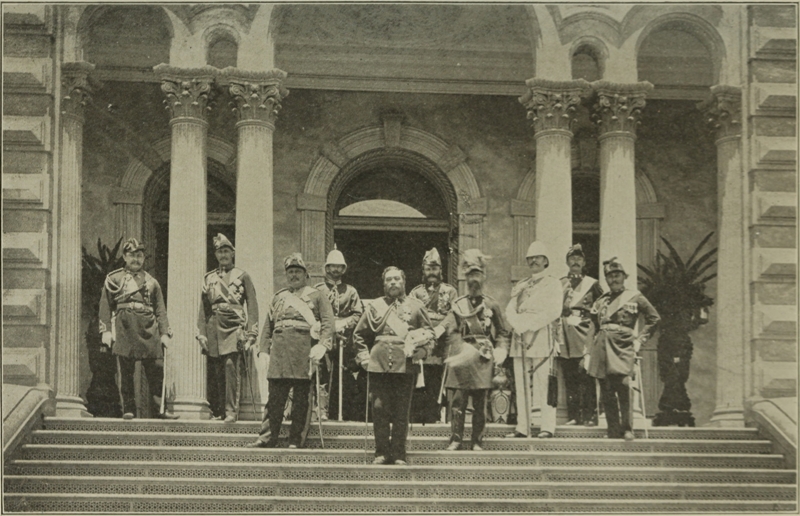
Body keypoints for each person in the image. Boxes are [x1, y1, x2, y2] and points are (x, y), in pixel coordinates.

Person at [248, 253, 334, 448]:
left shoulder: (317, 296)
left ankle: (296, 439)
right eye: (291, 272)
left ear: (306, 275)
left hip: (304, 351)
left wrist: (322, 344)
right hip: (279, 351)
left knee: (302, 399)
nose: (294, 275)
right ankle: (267, 437)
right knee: (275, 398)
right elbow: (268, 326)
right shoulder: (279, 297)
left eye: (298, 272)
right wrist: (263, 350)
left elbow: (328, 324)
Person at [353, 266, 435, 465]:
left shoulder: (416, 306)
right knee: (379, 409)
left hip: (404, 364)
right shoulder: (374, 306)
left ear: (404, 281)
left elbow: (430, 335)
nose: (393, 283)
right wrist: (364, 357)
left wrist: (422, 351)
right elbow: (359, 335)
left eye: (396, 279)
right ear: (384, 284)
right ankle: (381, 452)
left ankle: (398, 453)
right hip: (378, 364)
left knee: (401, 411)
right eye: (389, 280)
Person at [438, 249, 510, 451]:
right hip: (462, 357)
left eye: (477, 274)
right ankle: (456, 439)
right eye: (470, 275)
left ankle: (477, 440)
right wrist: (458, 352)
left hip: (483, 357)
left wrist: (501, 350)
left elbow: (503, 332)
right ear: (465, 278)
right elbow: (451, 331)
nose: (474, 279)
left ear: (484, 276)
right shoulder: (458, 305)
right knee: (458, 402)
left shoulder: (492, 305)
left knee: (480, 403)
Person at [98, 238, 178, 420]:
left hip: (148, 327)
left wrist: (164, 333)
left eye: (139, 255)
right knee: (126, 371)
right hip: (125, 327)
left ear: (144, 258)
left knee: (156, 369)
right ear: (125, 256)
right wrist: (106, 331)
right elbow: (105, 306)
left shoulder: (152, 282)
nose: (136, 259)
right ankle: (129, 409)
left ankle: (160, 409)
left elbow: (160, 310)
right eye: (132, 255)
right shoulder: (114, 279)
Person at [587, 257, 660, 441]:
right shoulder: (601, 301)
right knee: (606, 389)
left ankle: (627, 428)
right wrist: (589, 350)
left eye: (617, 275)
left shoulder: (635, 296)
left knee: (624, 386)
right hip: (602, 345)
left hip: (623, 345)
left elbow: (654, 318)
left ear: (624, 276)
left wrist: (640, 340)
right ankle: (612, 430)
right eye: (610, 276)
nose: (614, 279)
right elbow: (593, 325)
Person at [196, 234, 259, 423]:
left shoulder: (242, 276)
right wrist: (201, 333)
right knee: (217, 370)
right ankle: (220, 412)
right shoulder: (209, 278)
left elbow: (252, 305)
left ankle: (231, 411)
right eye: (219, 251)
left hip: (233, 326)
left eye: (226, 251)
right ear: (215, 254)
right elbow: (203, 308)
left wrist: (251, 332)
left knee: (231, 367)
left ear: (232, 253)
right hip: (213, 326)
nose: (223, 255)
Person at [504, 241, 562, 438]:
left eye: (538, 257)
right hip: (519, 336)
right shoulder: (521, 285)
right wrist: (517, 324)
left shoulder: (553, 284)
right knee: (520, 384)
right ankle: (523, 427)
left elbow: (554, 311)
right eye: (530, 258)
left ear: (546, 261)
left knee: (544, 383)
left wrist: (528, 325)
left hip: (540, 335)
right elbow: (509, 309)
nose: (534, 261)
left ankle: (547, 427)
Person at [314, 246, 364, 421]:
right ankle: (322, 411)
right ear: (327, 268)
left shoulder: (351, 291)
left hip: (344, 340)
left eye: (339, 266)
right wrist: (325, 326)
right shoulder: (318, 289)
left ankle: (344, 412)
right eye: (332, 266)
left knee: (345, 374)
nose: (335, 269)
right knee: (322, 373)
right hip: (324, 338)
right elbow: (312, 313)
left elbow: (358, 313)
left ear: (343, 269)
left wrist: (345, 323)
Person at [409, 247, 458, 423]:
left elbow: (454, 313)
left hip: (443, 343)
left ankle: (441, 419)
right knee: (421, 381)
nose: (432, 272)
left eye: (435, 268)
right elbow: (410, 314)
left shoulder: (450, 291)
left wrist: (441, 328)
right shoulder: (415, 292)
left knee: (440, 382)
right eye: (428, 269)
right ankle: (420, 419)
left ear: (440, 270)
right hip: (422, 342)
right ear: (423, 271)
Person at [558, 244, 604, 426]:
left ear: (584, 262)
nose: (575, 261)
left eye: (579, 258)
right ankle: (574, 415)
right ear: (567, 262)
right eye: (572, 258)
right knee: (569, 375)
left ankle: (591, 415)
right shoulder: (560, 283)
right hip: (565, 334)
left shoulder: (592, 284)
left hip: (584, 332)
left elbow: (601, 307)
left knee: (585, 373)